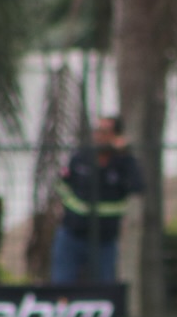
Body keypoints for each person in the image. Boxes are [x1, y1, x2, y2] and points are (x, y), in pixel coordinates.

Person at [50, 116, 144, 284]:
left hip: (104, 241)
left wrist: (125, 154)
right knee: (62, 286)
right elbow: (62, 184)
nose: (98, 136)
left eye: (104, 132)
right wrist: (70, 206)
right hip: (72, 235)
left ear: (116, 136)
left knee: (104, 288)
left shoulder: (124, 163)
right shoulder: (81, 157)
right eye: (97, 131)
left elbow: (137, 186)